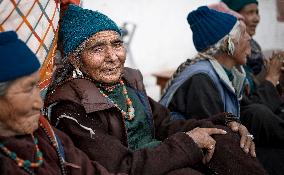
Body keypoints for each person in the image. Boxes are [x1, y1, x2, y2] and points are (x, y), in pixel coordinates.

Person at [44, 5, 267, 175]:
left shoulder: (127, 84)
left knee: (227, 139)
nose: (113, 57)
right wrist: (189, 142)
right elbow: (121, 166)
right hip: (140, 167)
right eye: (97, 48)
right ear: (75, 59)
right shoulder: (70, 109)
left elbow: (165, 124)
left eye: (117, 44)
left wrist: (222, 124)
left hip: (160, 156)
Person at [160, 2, 284, 174]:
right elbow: (216, 140)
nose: (249, 38)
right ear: (228, 44)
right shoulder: (201, 79)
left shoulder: (224, 73)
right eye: (242, 34)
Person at [0, 31, 123, 175]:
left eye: (36, 87)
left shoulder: (46, 134)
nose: (39, 103)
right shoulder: (69, 108)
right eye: (27, 90)